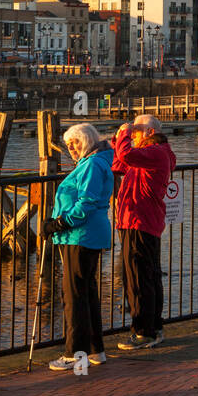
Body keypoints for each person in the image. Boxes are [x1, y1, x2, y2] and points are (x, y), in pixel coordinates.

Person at [44, 123, 115, 372]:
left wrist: (59, 223)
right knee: (86, 292)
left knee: (74, 296)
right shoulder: (93, 162)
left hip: (79, 236)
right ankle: (96, 350)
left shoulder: (93, 165)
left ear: (86, 140)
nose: (71, 148)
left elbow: (86, 202)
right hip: (83, 235)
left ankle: (75, 353)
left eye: (74, 143)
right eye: (68, 144)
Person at [112, 115, 176, 350]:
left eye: (137, 132)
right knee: (149, 275)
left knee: (138, 278)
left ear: (149, 132)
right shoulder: (152, 154)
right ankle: (154, 326)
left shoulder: (156, 153)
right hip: (141, 220)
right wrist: (119, 137)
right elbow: (118, 163)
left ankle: (143, 332)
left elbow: (126, 155)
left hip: (139, 220)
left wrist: (124, 134)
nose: (134, 136)